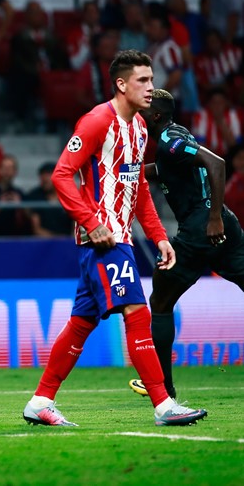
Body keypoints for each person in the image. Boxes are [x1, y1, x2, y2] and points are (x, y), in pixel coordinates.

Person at [22, 50, 208, 428]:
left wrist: (159, 236)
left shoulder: (139, 127)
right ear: (121, 84)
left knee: (81, 322)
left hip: (119, 236)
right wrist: (92, 223)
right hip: (103, 240)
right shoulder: (96, 121)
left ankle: (40, 401)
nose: (151, 88)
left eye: (152, 80)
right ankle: (163, 404)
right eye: (143, 80)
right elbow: (61, 174)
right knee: (137, 313)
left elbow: (138, 189)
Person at [128, 89, 244, 399]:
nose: (136, 113)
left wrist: (213, 217)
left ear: (155, 116)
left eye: (142, 110)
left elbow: (216, 163)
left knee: (160, 302)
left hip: (200, 228)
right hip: (223, 226)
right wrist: (127, 173)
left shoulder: (170, 140)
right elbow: (166, 168)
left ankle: (162, 387)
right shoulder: (172, 138)